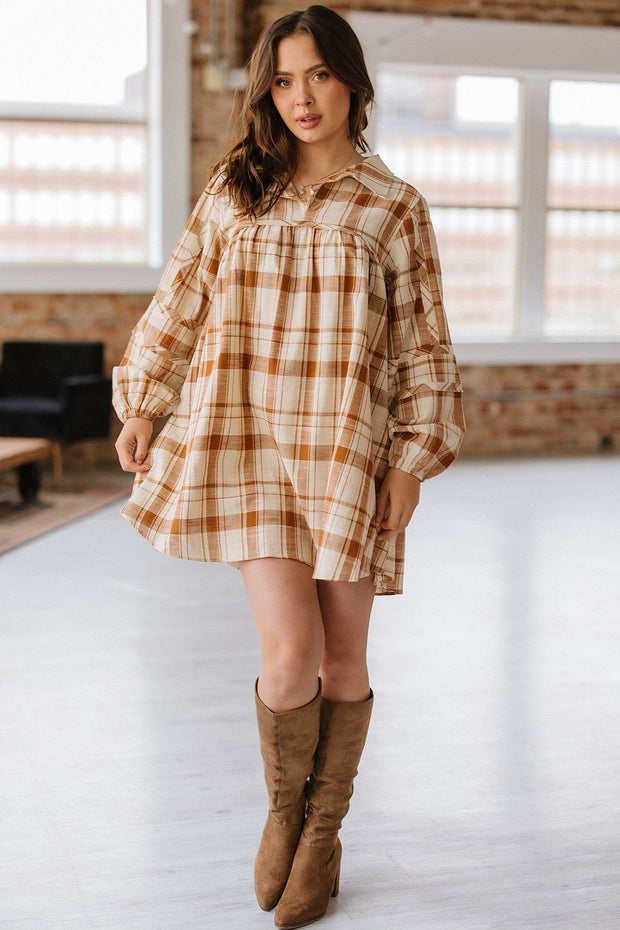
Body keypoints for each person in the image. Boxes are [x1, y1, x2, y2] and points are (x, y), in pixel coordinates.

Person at [113, 6, 465, 928]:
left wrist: (412, 462)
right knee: (291, 654)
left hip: (349, 451)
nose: (300, 97)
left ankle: (323, 834)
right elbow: (181, 297)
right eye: (282, 80)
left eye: (317, 75)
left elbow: (425, 346)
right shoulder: (237, 190)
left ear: (351, 81)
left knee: (343, 657)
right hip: (251, 447)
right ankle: (283, 811)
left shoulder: (393, 206)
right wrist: (143, 400)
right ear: (266, 91)